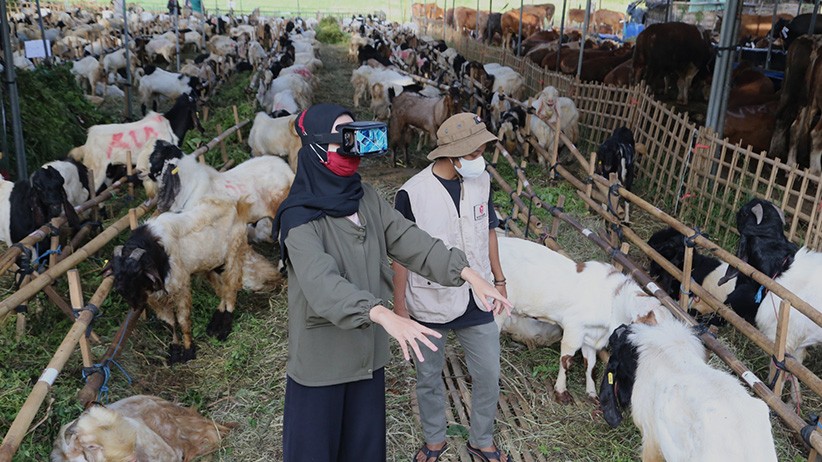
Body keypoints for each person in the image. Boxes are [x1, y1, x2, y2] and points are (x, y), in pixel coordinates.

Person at [273, 103, 511, 462]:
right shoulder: (299, 217)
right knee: (315, 452)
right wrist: (385, 314)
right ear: (317, 147)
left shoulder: (365, 198)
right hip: (322, 364)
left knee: (364, 449)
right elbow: (321, 285)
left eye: (357, 139)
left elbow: (410, 240)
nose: (354, 152)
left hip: (368, 357)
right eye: (345, 141)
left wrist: (469, 274)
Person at [393, 113, 508, 462]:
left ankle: (481, 439)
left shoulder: (480, 181)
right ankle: (434, 440)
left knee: (489, 371)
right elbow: (400, 254)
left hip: (476, 296)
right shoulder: (412, 193)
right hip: (429, 299)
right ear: (450, 154)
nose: (480, 160)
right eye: (473, 154)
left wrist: (499, 279)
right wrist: (400, 307)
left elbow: (488, 231)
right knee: (429, 376)